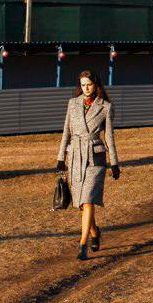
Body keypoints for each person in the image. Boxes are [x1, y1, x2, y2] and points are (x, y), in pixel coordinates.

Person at [56, 69, 120, 259]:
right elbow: (66, 132)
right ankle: (94, 232)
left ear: (96, 85)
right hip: (75, 156)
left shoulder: (106, 107)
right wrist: (61, 157)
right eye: (82, 85)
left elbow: (109, 136)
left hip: (95, 158)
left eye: (89, 84)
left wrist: (114, 163)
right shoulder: (72, 104)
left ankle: (83, 244)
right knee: (81, 205)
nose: (86, 88)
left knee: (88, 199)